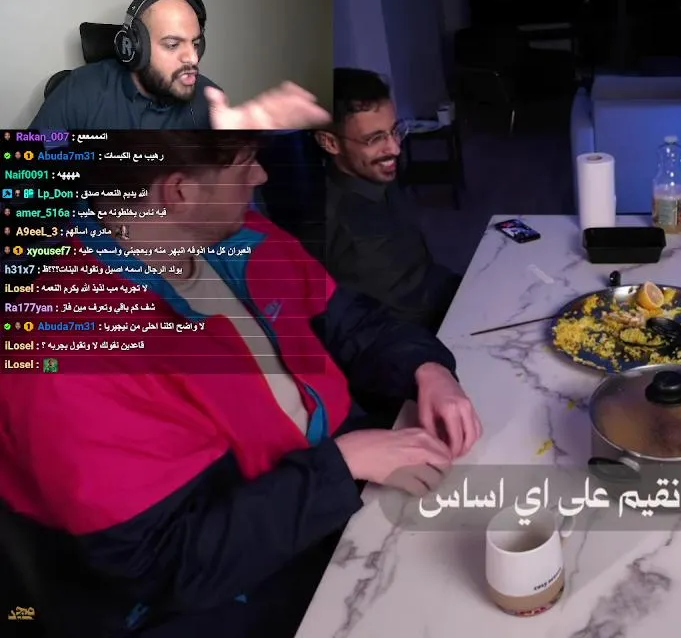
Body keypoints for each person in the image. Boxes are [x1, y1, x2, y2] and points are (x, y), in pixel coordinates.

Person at [0, 130, 483, 637]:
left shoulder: (238, 235)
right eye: (246, 162)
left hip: (340, 489)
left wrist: (427, 369)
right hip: (244, 590)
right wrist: (345, 463)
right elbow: (167, 564)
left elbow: (350, 321)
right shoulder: (65, 351)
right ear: (180, 192)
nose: (261, 176)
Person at [29, 0, 330, 132]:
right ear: (133, 48)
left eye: (196, 43)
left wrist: (236, 151)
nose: (193, 58)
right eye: (173, 44)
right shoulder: (81, 90)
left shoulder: (210, 101)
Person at [312, 68, 461, 332]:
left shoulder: (376, 175)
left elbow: (420, 273)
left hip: (446, 299)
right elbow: (385, 327)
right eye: (375, 139)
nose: (395, 148)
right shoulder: (339, 231)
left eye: (394, 131)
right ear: (330, 143)